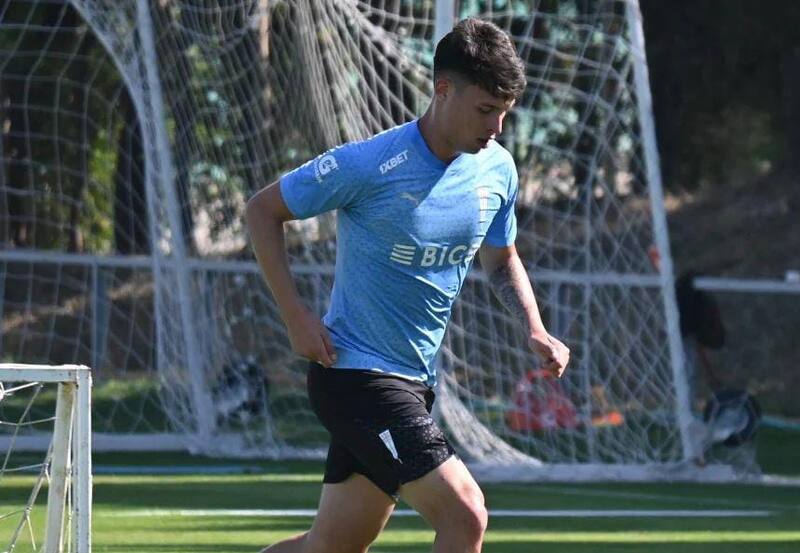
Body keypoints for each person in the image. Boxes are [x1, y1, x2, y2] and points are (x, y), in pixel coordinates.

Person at [246, 18, 570, 553]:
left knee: (328, 548)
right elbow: (262, 211)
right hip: (355, 376)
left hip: (414, 382)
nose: (496, 127)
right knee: (466, 515)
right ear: (443, 91)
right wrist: (295, 318)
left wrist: (534, 327)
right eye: (485, 109)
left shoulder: (497, 170)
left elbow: (501, 258)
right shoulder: (370, 164)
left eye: (505, 112)